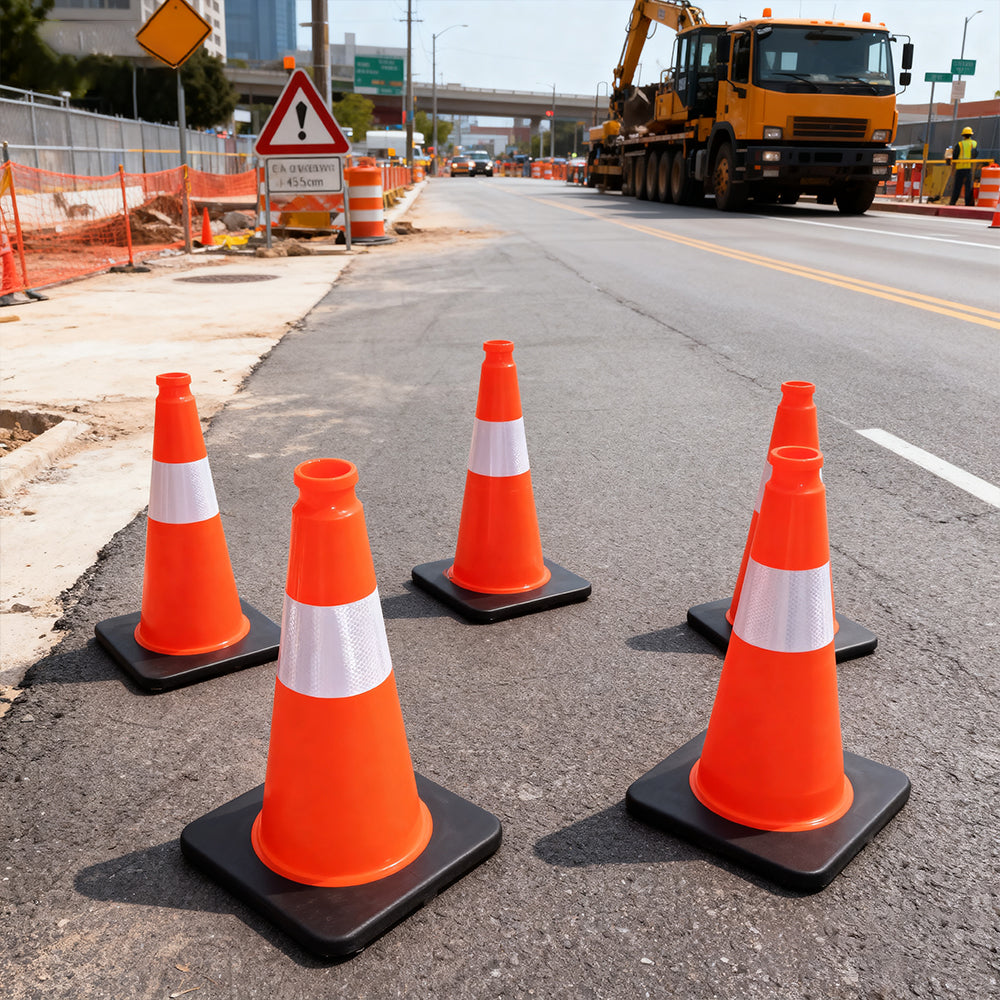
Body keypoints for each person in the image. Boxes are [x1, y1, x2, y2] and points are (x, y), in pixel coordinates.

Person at [949, 127, 979, 206]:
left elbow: (955, 156)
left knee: (957, 187)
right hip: (969, 168)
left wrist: (952, 168)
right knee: (968, 187)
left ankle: (953, 202)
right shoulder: (974, 143)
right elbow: (975, 154)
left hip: (959, 168)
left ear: (963, 135)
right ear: (971, 135)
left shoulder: (959, 144)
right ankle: (968, 203)